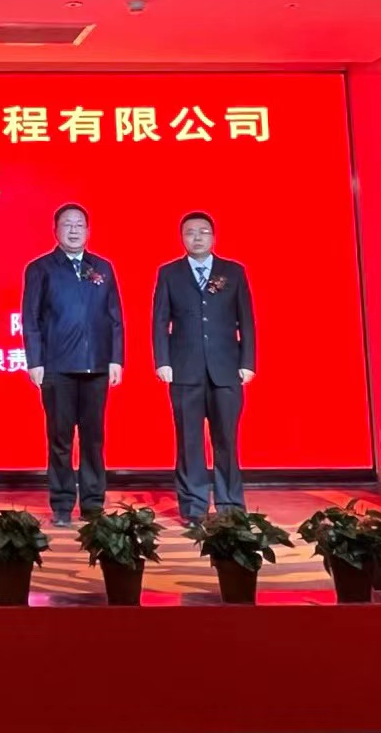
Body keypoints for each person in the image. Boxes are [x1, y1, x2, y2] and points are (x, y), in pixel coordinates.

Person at [22, 203, 124, 527]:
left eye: (80, 224)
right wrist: (35, 361)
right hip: (56, 368)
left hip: (96, 367)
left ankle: (93, 505)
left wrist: (116, 358)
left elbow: (115, 317)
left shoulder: (102, 267)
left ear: (88, 230)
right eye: (67, 224)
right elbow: (31, 319)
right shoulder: (41, 268)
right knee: (60, 439)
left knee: (94, 439)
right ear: (55, 230)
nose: (74, 230)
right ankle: (63, 505)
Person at [153, 211, 256, 526]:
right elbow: (160, 321)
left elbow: (246, 321)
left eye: (203, 231)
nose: (197, 237)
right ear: (181, 237)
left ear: (213, 236)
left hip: (226, 370)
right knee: (189, 442)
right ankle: (194, 507)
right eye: (190, 232)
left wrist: (247, 363)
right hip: (184, 371)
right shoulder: (169, 273)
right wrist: (163, 361)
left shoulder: (233, 272)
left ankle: (230, 505)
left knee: (226, 441)